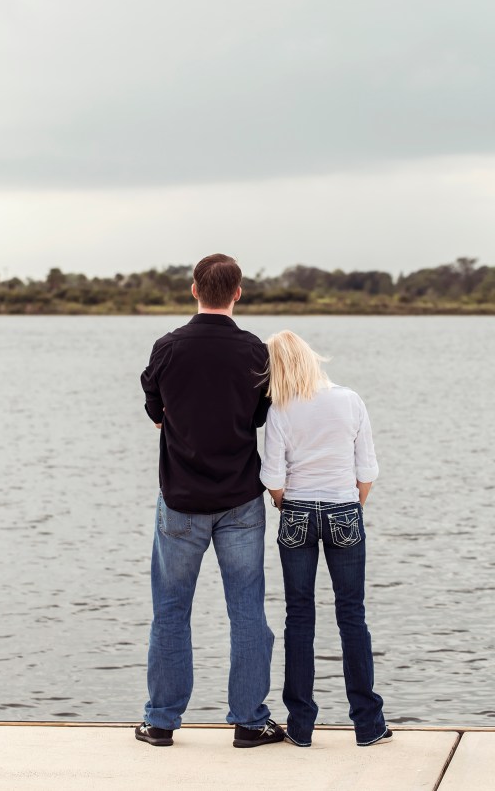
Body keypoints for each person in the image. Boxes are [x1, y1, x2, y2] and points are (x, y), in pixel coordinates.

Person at [135, 254, 284, 749]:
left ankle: (160, 722)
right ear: (238, 293)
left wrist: (170, 419)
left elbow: (153, 405)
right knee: (247, 613)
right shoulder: (254, 351)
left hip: (179, 500)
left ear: (193, 289)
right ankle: (248, 721)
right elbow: (261, 416)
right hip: (241, 501)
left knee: (170, 612)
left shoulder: (168, 347)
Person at [260, 330, 390, 748]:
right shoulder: (349, 400)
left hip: (296, 511)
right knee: (352, 614)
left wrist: (287, 506)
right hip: (343, 509)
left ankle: (300, 727)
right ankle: (368, 726)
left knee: (298, 617)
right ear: (311, 358)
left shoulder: (279, 409)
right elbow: (366, 469)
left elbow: (272, 478)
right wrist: (351, 507)